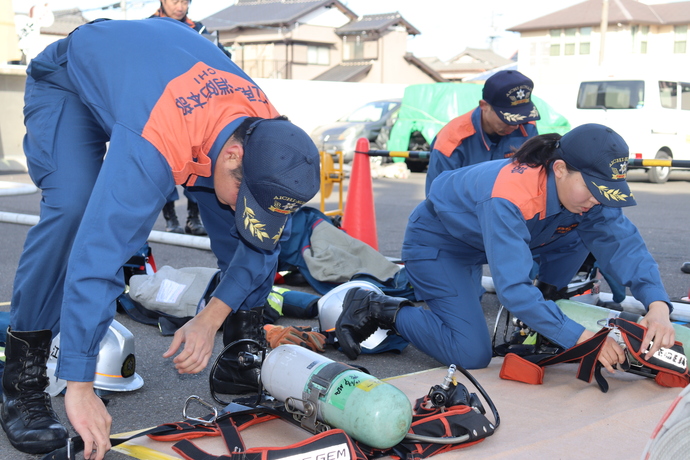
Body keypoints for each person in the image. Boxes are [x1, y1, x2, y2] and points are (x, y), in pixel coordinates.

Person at [0, 18, 320, 459]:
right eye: (248, 199)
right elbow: (99, 258)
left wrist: (210, 318)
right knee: (74, 211)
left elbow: (260, 245)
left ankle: (241, 354)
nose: (248, 211)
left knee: (238, 228)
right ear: (232, 156)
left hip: (166, 94)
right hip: (71, 81)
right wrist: (80, 384)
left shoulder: (267, 134)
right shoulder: (159, 139)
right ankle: (22, 380)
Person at [336, 124, 675, 375]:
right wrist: (582, 338)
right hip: (439, 244)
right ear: (559, 169)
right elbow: (511, 289)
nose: (597, 199)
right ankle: (379, 307)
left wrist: (658, 305)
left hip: (488, 241)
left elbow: (624, 244)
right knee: (471, 353)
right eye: (594, 189)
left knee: (587, 231)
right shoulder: (510, 196)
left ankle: (542, 311)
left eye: (607, 192)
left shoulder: (586, 195)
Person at [151, 0, 232, 235]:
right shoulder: (150, 26)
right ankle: (170, 218)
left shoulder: (199, 30)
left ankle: (193, 219)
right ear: (162, 2)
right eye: (175, 1)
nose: (180, 6)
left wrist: (218, 51)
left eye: (184, 1)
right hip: (162, 107)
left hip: (193, 109)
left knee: (198, 163)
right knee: (163, 165)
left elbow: (223, 57)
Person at [425, 70, 540, 195]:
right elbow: (439, 198)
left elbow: (534, 181)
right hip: (465, 211)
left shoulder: (528, 127)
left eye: (522, 117)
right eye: (508, 119)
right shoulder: (451, 141)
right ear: (484, 106)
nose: (516, 126)